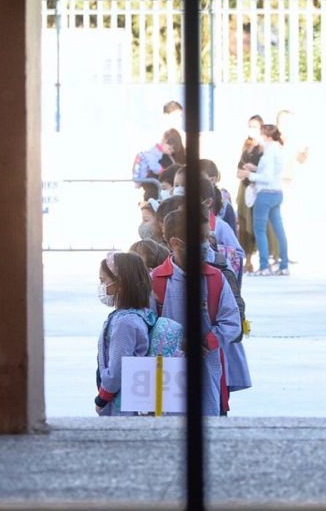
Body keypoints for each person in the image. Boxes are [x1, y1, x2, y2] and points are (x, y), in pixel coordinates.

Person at [152, 205, 243, 415]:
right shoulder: (156, 280)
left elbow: (231, 321)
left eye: (207, 237)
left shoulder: (216, 277)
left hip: (206, 364)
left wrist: (205, 343)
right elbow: (147, 325)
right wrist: (175, 344)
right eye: (199, 237)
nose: (205, 244)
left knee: (207, 416)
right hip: (164, 369)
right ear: (175, 243)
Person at [93, 252, 158, 416]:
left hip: (120, 405)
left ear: (120, 283)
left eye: (103, 281)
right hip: (131, 402)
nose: (101, 286)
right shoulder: (142, 314)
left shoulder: (124, 323)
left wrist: (101, 399)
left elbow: (117, 370)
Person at [247, 123, 292, 275]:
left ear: (266, 136)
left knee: (260, 230)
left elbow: (267, 176)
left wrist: (249, 175)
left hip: (265, 193)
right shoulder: (278, 149)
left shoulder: (269, 151)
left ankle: (264, 266)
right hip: (277, 192)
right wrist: (254, 169)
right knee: (279, 230)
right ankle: (284, 265)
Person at [235, 115, 266, 271]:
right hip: (244, 189)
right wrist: (244, 171)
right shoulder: (246, 146)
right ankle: (246, 259)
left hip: (257, 188)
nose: (251, 130)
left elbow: (265, 170)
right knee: (243, 224)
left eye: (254, 126)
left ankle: (260, 259)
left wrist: (251, 170)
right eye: (249, 126)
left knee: (256, 225)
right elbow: (239, 169)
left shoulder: (264, 148)